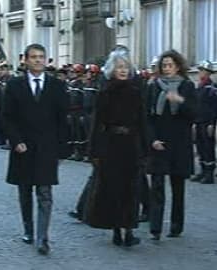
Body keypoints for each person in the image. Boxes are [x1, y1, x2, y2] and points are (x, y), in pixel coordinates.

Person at [2, 43, 68, 255]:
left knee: (45, 192)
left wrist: (61, 147)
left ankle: (43, 237)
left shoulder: (56, 85)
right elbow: (6, 117)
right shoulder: (14, 85)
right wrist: (16, 140)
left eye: (41, 57)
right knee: (25, 189)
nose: (38, 60)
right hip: (23, 146)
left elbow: (62, 119)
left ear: (46, 60)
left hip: (47, 147)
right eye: (34, 57)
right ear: (26, 60)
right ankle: (29, 229)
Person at [83, 51, 147, 247]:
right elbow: (97, 123)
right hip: (110, 144)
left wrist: (145, 147)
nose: (123, 71)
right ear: (112, 70)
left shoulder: (136, 92)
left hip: (130, 144)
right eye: (119, 67)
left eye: (126, 67)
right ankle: (116, 230)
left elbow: (143, 121)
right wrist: (93, 151)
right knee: (113, 188)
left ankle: (129, 230)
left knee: (131, 188)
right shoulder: (105, 92)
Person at [146, 50, 197, 240]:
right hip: (159, 142)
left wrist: (180, 101)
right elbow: (147, 117)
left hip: (179, 143)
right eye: (164, 65)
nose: (167, 69)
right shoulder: (153, 87)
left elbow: (194, 113)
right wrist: (152, 139)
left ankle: (176, 225)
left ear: (178, 66)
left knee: (178, 186)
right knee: (157, 185)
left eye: (170, 65)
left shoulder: (187, 86)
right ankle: (155, 227)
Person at [191, 60, 217, 184]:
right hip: (199, 121)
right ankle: (203, 170)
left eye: (202, 71)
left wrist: (212, 123)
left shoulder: (211, 87)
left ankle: (209, 173)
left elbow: (215, 107)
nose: (200, 73)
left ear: (208, 73)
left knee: (208, 147)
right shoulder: (200, 86)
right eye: (200, 70)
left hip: (207, 122)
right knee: (200, 146)